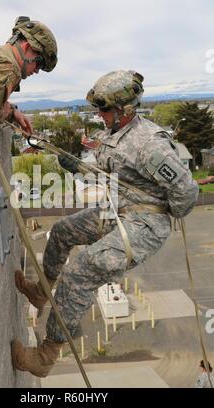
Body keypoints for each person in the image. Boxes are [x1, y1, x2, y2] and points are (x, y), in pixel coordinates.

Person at [12, 70, 199, 377]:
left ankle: (46, 356)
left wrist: (163, 210)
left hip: (145, 223)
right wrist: (73, 163)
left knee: (80, 272)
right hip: (119, 210)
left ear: (123, 110)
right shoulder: (114, 136)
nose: (98, 114)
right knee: (61, 231)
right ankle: (41, 292)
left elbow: (187, 193)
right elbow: (104, 169)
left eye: (103, 109)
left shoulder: (149, 144)